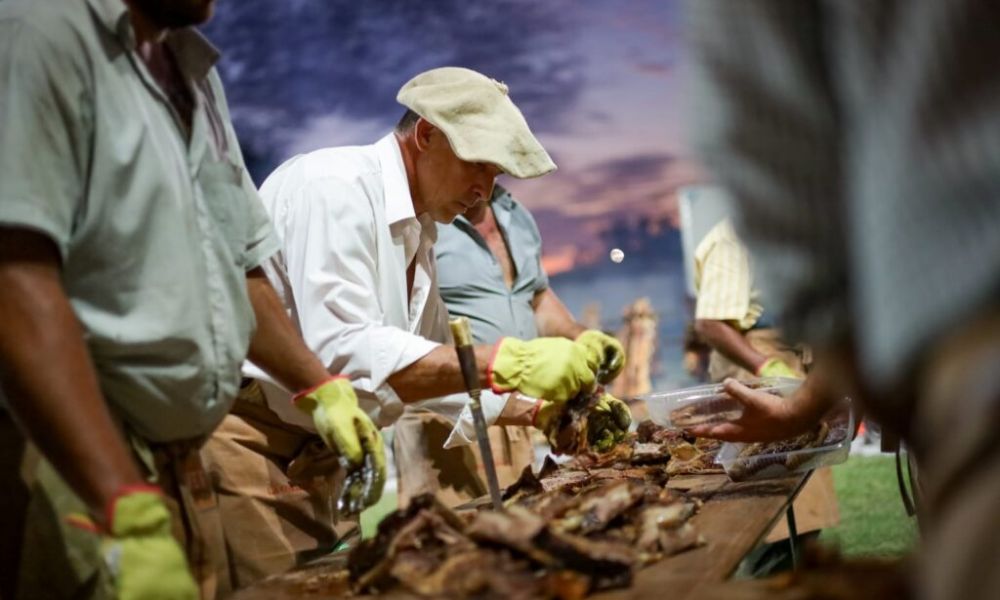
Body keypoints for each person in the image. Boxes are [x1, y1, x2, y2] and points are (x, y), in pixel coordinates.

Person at [0, 1, 382, 598]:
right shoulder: (35, 33)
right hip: (75, 469)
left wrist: (319, 387)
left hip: (180, 464)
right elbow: (15, 279)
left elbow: (239, 265)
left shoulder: (194, 74)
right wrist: (119, 502)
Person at [203, 66, 626, 584]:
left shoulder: (419, 231)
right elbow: (337, 350)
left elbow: (427, 361)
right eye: (481, 168)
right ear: (426, 134)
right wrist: (502, 362)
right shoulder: (334, 186)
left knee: (343, 585)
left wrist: (541, 412)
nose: (485, 192)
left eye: (496, 177)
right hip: (254, 440)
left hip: (330, 450)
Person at [684, 2, 1000, 598]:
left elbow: (777, 155)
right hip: (891, 366)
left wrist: (828, 369)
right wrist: (785, 378)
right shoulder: (729, 238)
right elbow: (715, 320)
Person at [397, 183, 627, 505]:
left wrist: (581, 335)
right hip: (444, 421)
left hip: (520, 410)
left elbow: (534, 296)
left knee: (524, 521)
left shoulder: (514, 213)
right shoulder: (419, 221)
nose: (486, 177)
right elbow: (402, 348)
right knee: (451, 539)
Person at [693, 219, 806, 382]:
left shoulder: (785, 232)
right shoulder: (730, 239)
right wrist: (767, 368)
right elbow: (710, 323)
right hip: (753, 358)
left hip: (796, 349)